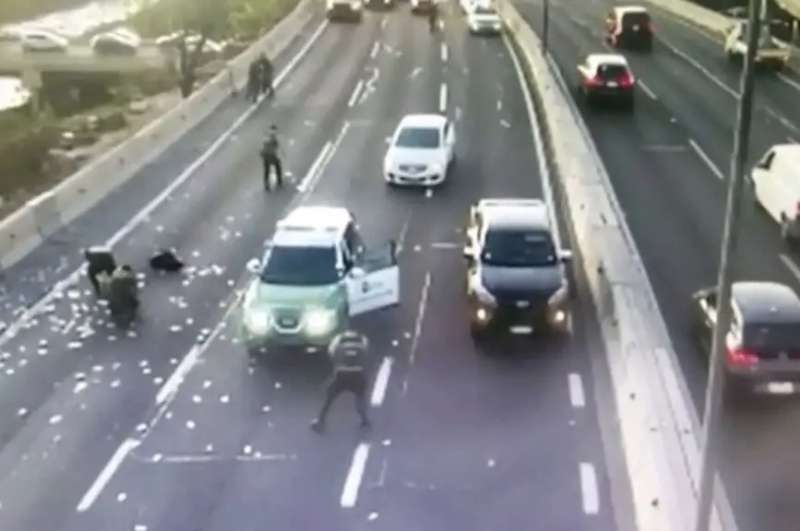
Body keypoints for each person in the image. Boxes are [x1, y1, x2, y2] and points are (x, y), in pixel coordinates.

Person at [311, 329, 372, 433]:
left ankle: (320, 421)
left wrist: (338, 364)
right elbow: (367, 354)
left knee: (329, 399)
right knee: (360, 397)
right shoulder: (363, 339)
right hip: (358, 374)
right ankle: (364, 420)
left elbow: (331, 353)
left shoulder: (338, 339)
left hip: (341, 374)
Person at [260, 125, 283, 190]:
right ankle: (279, 180)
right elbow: (277, 147)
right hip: (272, 155)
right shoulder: (274, 138)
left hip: (266, 155)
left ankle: (266, 184)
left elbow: (263, 146)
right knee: (277, 166)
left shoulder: (266, 137)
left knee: (267, 170)